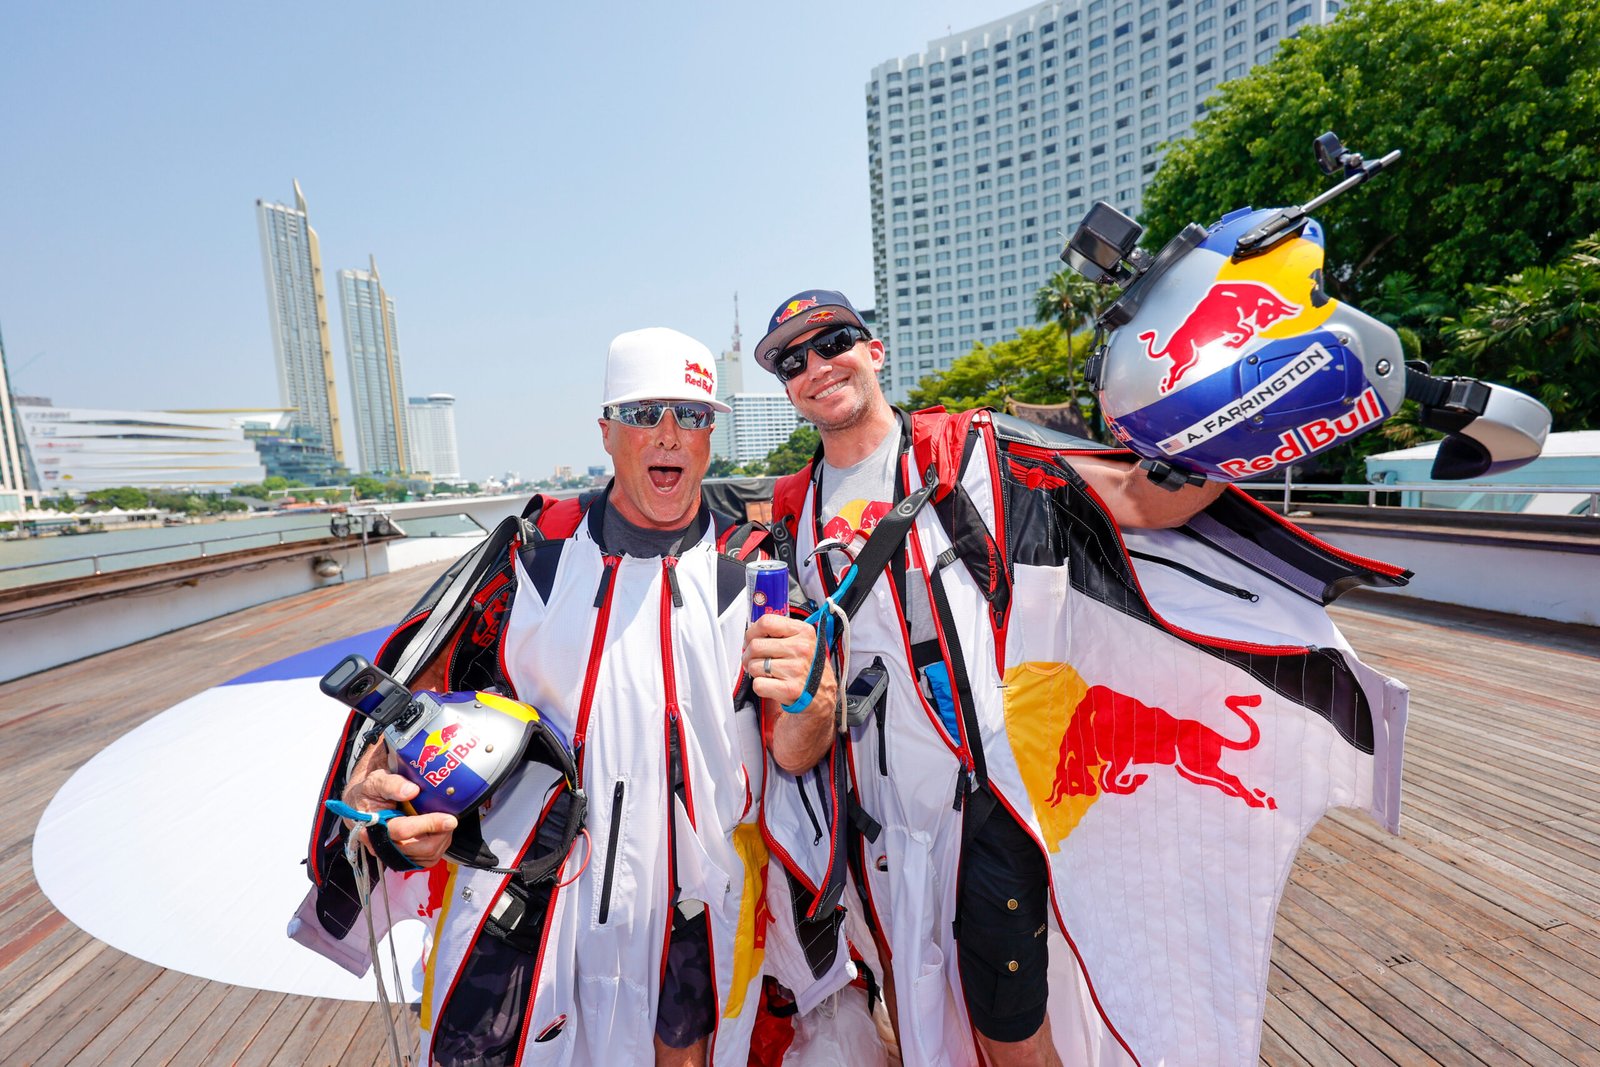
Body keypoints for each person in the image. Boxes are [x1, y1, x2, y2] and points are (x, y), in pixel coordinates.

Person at [294, 326, 838, 1067]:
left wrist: (816, 700)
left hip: (698, 903)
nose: (670, 434)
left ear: (712, 432)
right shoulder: (532, 558)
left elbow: (794, 752)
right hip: (536, 898)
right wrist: (383, 782)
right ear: (607, 431)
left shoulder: (754, 570)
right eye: (645, 413)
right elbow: (422, 700)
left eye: (693, 414)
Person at [752, 290, 1231, 1067]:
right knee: (912, 1023)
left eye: (833, 339)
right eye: (791, 360)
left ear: (873, 351)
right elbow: (798, 734)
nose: (815, 365)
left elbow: (1138, 501)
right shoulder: (791, 513)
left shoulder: (969, 451)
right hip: (875, 825)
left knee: (1011, 1039)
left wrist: (1232, 422)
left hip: (986, 804)